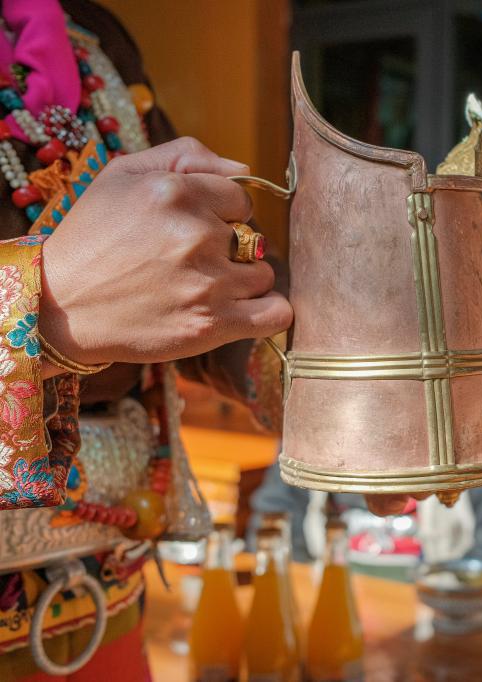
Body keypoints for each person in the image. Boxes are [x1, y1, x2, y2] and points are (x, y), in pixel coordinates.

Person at [0, 2, 290, 679]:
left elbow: (175, 278)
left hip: (106, 597)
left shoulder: (91, 34)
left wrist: (322, 370)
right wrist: (45, 308)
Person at [248, 411, 482, 594]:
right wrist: (303, 596)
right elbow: (275, 513)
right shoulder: (316, 410)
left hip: (442, 606)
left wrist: (456, 604)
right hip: (332, 600)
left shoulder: (477, 410)